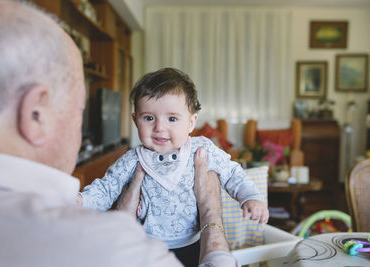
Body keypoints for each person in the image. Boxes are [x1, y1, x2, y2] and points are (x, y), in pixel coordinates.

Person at [0, 1, 237, 266]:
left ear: (191, 122)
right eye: (79, 111)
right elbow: (105, 189)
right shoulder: (108, 246)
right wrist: (212, 215)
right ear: (35, 115)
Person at [80, 68, 269, 266]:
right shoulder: (133, 159)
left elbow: (232, 173)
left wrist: (250, 197)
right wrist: (82, 200)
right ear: (136, 121)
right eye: (149, 118)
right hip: (148, 244)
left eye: (172, 119)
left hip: (194, 243)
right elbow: (106, 187)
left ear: (191, 122)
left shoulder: (202, 149)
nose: (160, 127)